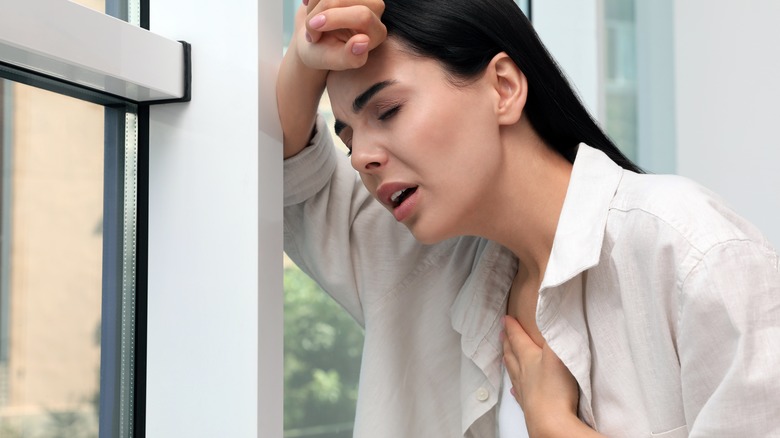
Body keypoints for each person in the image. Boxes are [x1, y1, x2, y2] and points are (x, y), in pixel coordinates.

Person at [277, 0, 780, 436]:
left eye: (386, 111)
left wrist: (556, 427)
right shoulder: (418, 272)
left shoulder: (692, 253)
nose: (362, 155)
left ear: (502, 86)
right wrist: (304, 57)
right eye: (347, 140)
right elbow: (284, 174)